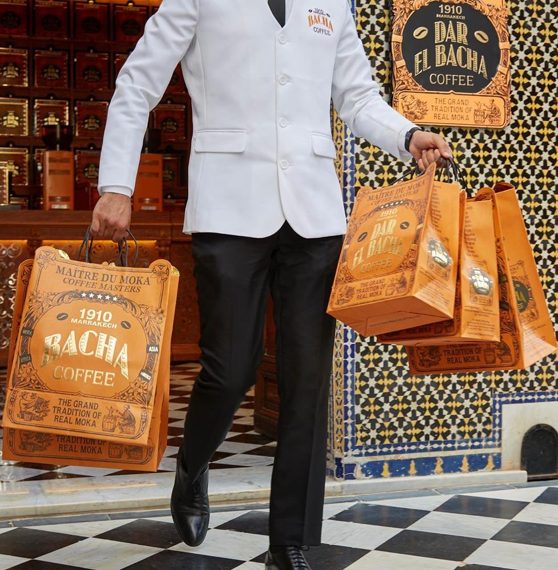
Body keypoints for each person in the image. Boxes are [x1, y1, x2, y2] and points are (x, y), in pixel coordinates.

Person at [92, 1, 452, 568]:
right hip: (227, 206)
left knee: (306, 381)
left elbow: (357, 97)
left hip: (314, 216)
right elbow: (138, 84)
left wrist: (406, 135)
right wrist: (117, 184)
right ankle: (192, 465)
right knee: (230, 370)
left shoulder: (332, 4)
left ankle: (289, 542)